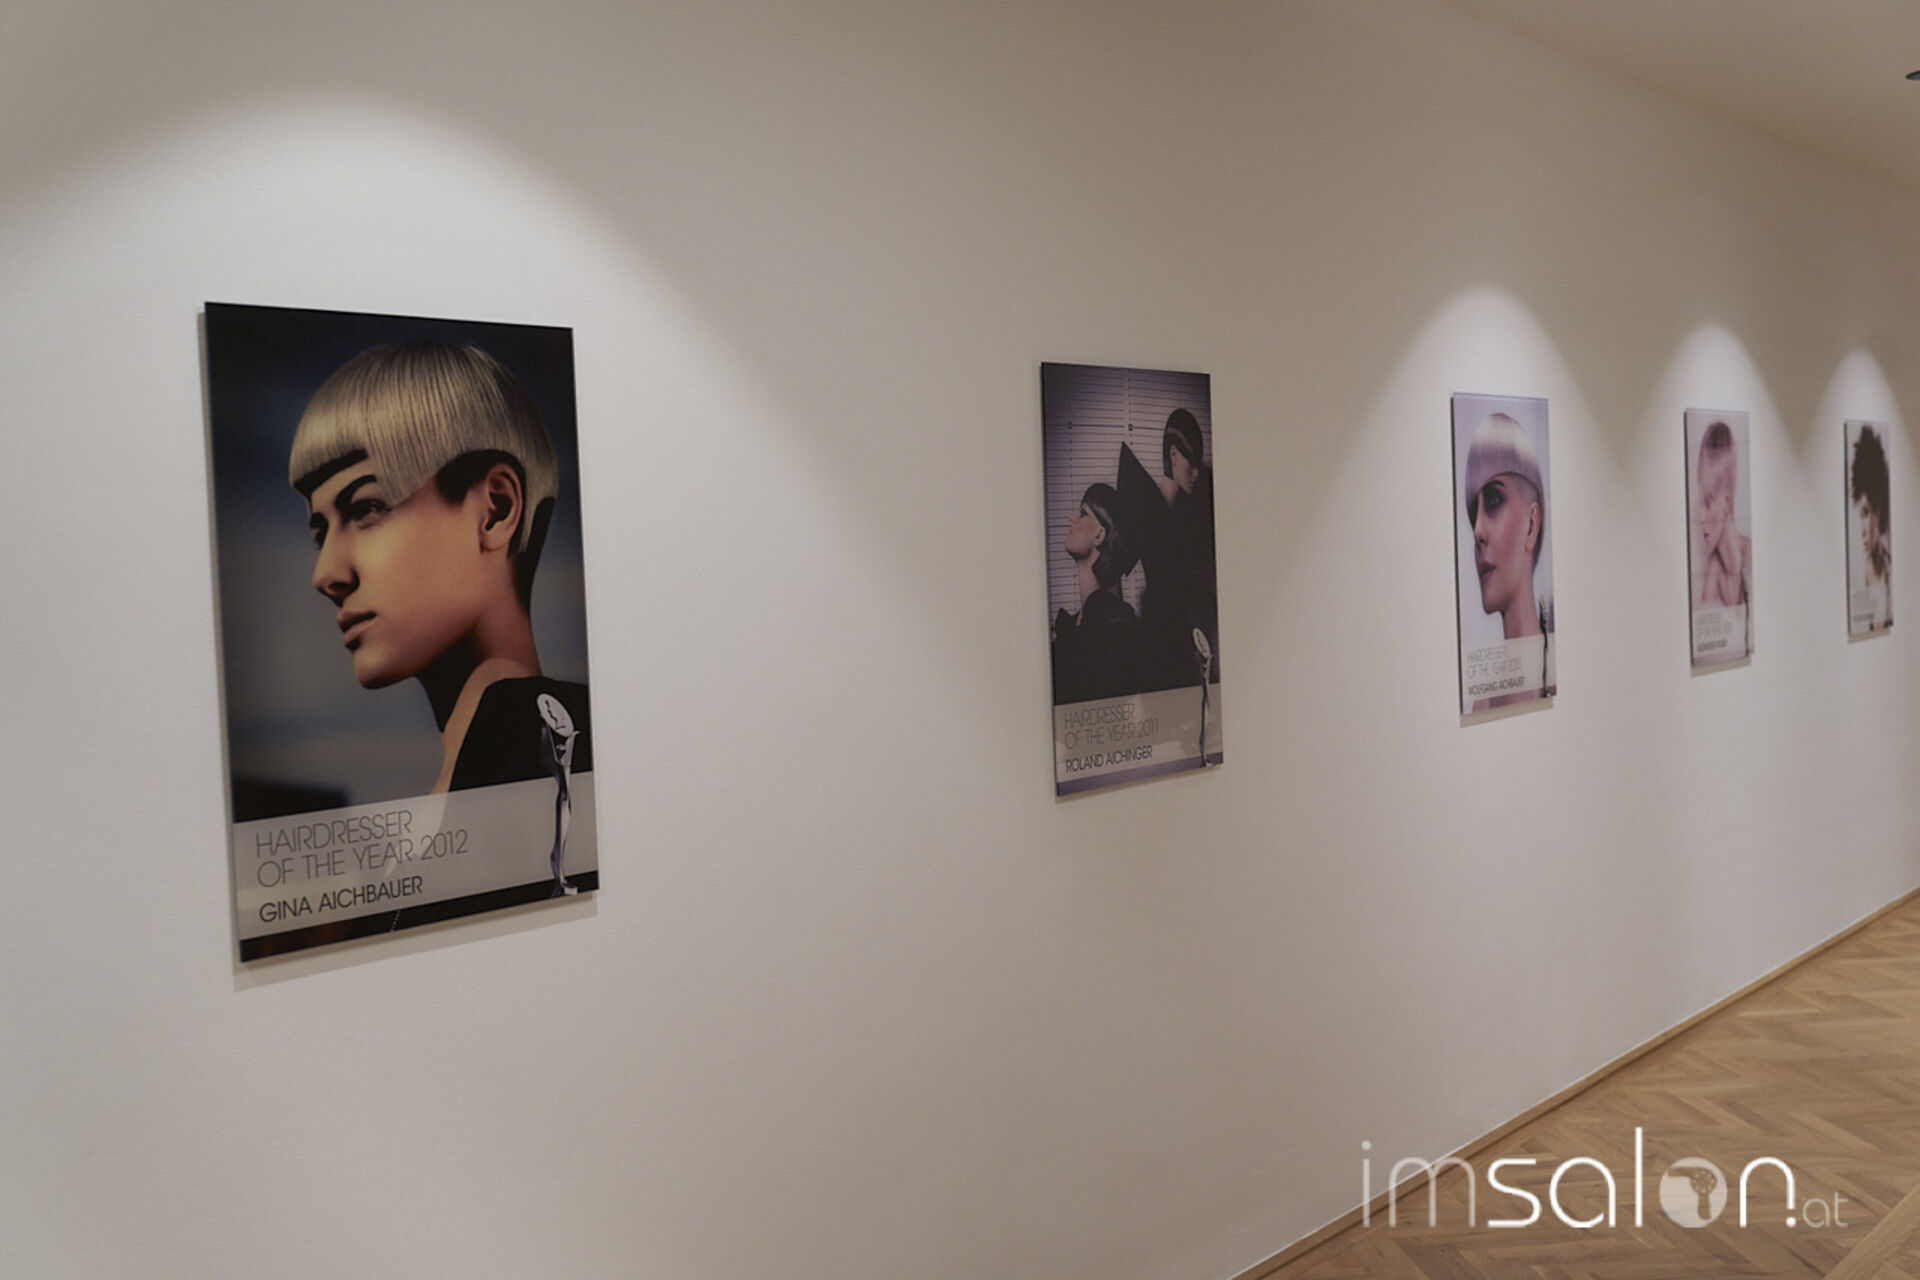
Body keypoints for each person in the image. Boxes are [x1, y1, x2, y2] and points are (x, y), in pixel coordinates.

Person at [291, 339, 592, 800]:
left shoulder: (549, 757)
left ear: (495, 510)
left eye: (367, 508)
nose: (326, 575)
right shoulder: (506, 771)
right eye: (320, 533)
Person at [1118, 408, 1220, 691]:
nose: (1196, 473)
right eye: (1191, 463)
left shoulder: (1189, 515)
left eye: (1199, 465)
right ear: (1173, 454)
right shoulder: (1146, 506)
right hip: (1158, 636)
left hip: (1186, 637)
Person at [1463, 411, 1552, 710]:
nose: (1477, 531)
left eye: (1493, 500)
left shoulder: (1553, 678)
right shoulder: (1482, 704)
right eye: (1473, 511)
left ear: (1531, 525)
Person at [1051, 482, 1145, 704]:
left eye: (1083, 513)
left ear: (1099, 534)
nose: (1072, 518)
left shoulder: (1115, 628)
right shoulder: (1078, 623)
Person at [1693, 421, 1751, 610]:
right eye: (1701, 503)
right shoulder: (1715, 568)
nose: (1701, 517)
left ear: (1726, 502)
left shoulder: (1750, 555)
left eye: (1708, 502)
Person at [1852, 424, 1891, 630]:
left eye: (1866, 512)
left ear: (1879, 510)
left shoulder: (1890, 569)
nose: (1862, 530)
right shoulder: (1861, 577)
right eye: (1861, 514)